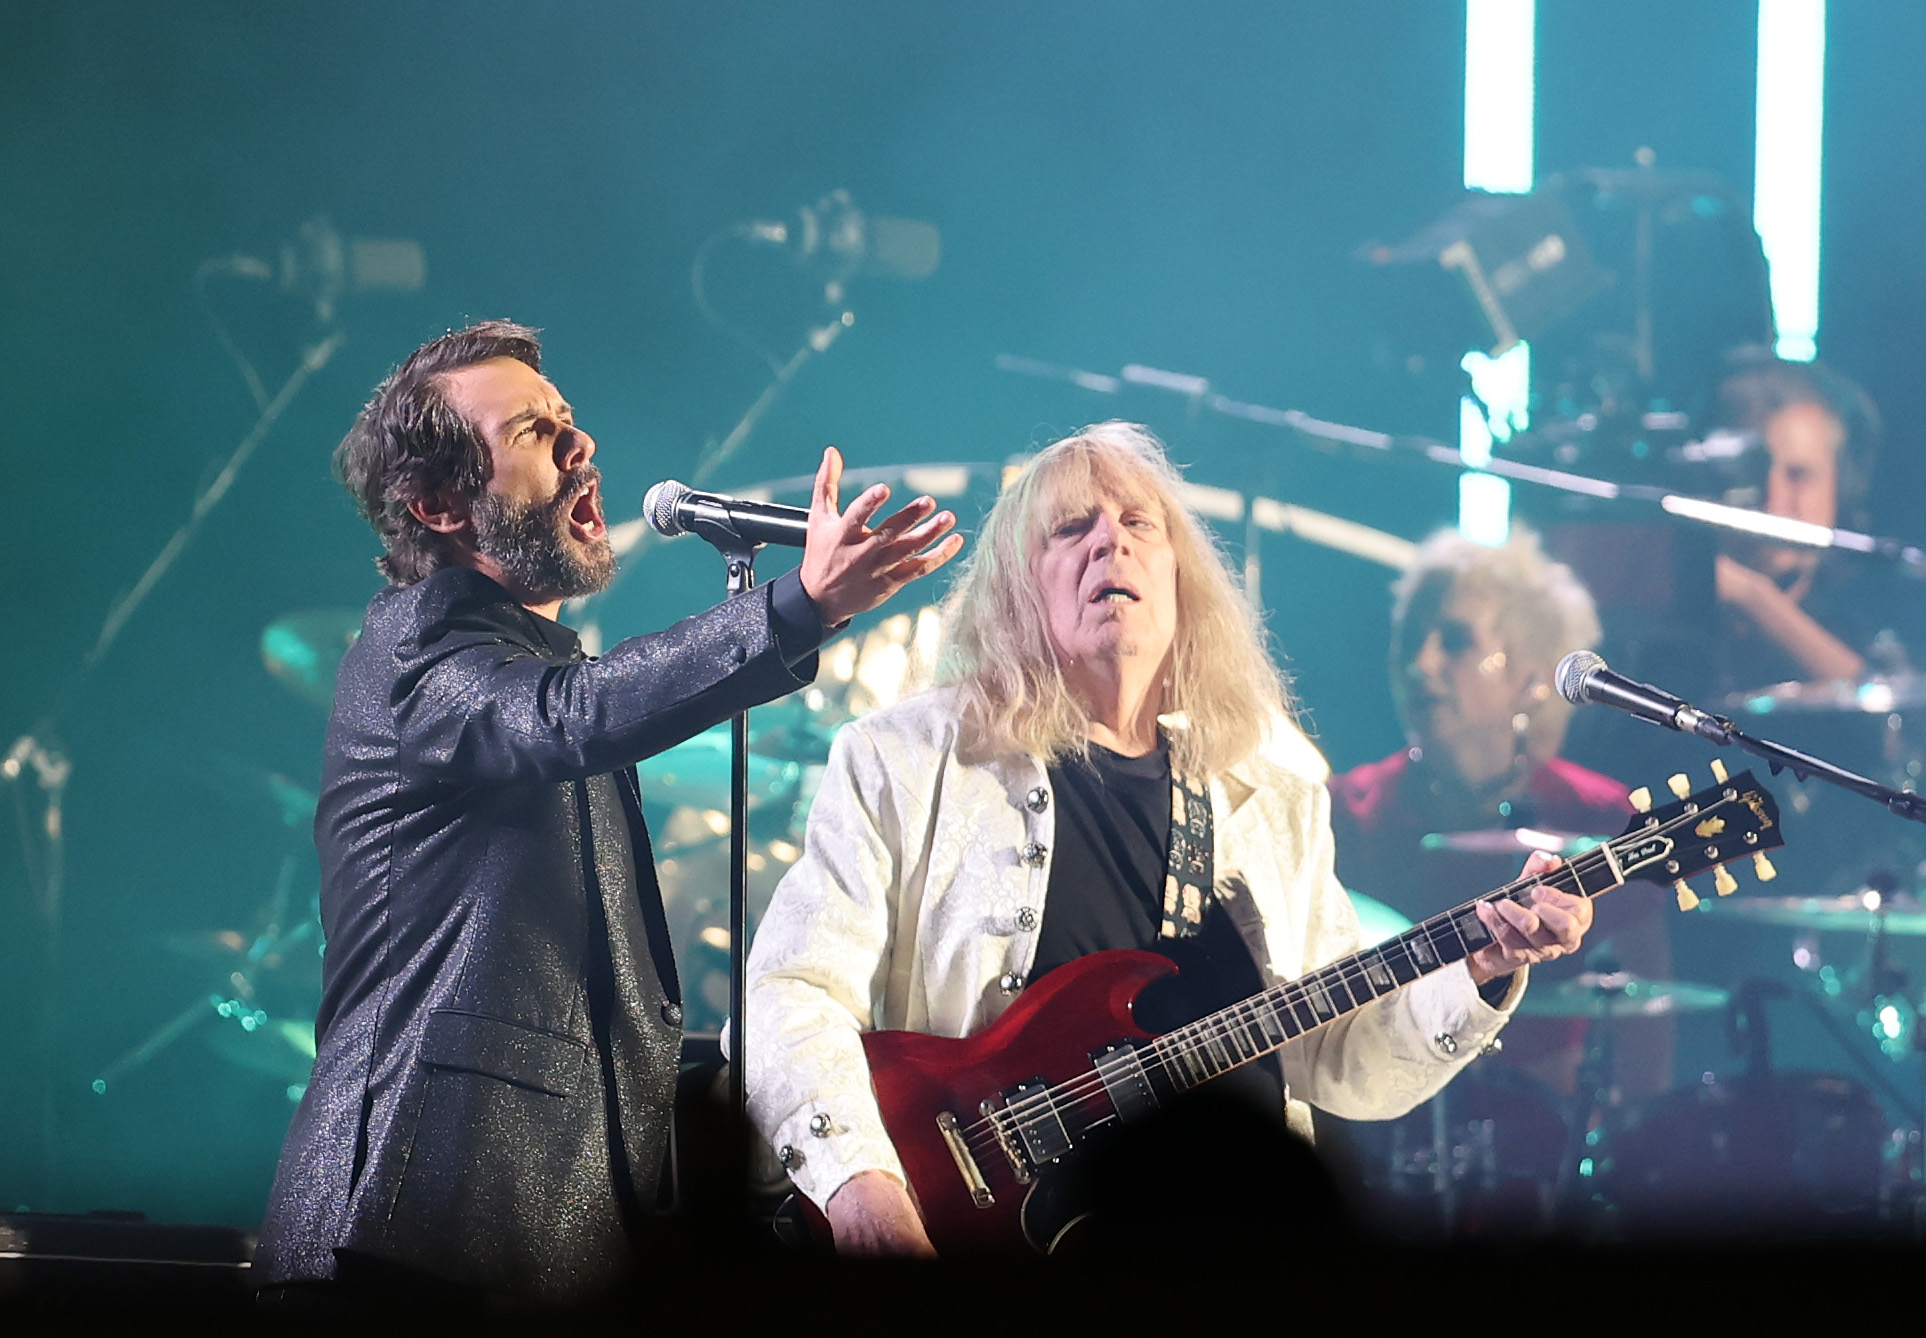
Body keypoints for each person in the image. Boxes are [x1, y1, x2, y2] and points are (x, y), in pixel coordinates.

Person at [743, 422, 1593, 1256]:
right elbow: (793, 988)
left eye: (1138, 523)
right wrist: (859, 1183)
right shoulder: (906, 759)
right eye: (1071, 528)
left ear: (1181, 577)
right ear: (1013, 589)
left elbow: (1340, 1059)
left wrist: (1481, 966)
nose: (1108, 541)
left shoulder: (1272, 783)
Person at [253, 320, 961, 1304]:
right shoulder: (416, 658)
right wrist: (794, 610)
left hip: (508, 1248)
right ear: (438, 506)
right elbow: (568, 721)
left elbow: (583, 1011)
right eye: (537, 435)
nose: (581, 447)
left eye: (570, 422)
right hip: (403, 1238)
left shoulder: (543, 672)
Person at [1329, 527, 1671, 1103]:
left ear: (1533, 678)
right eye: (1411, 638)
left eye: (1455, 640)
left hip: (1548, 1137)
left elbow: (1653, 1008)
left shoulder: (1601, 815)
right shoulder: (1344, 807)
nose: (1421, 661)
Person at [1712, 350, 1895, 687]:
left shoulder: (1879, 611)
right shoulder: (1665, 609)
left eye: (1798, 475)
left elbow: (1888, 707)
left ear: (1840, 486)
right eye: (1752, 474)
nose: (1774, 501)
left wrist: (1754, 598)